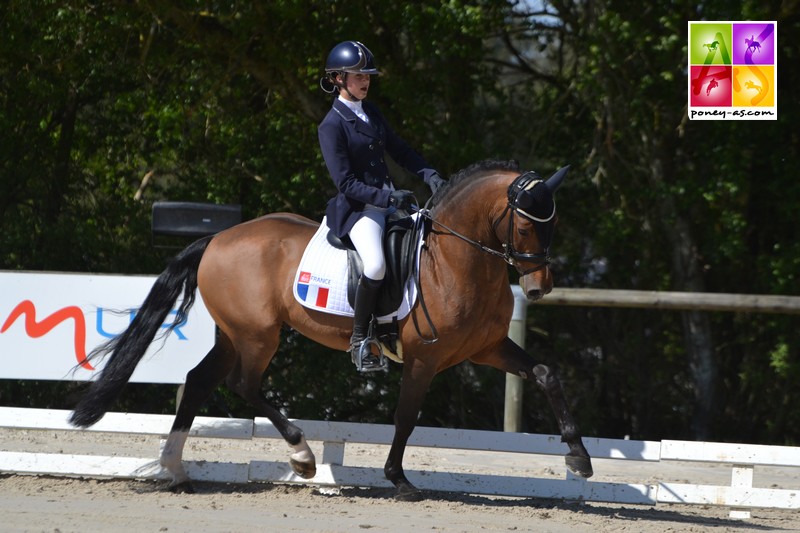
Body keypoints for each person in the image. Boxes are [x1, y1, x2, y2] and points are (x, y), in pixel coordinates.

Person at [318, 40, 445, 372]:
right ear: (337, 78)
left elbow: (399, 150)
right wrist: (388, 198)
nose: (366, 81)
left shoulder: (371, 112)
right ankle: (360, 341)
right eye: (358, 75)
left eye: (368, 75)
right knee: (375, 265)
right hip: (359, 209)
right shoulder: (331, 126)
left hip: (388, 202)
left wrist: (428, 173)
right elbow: (345, 183)